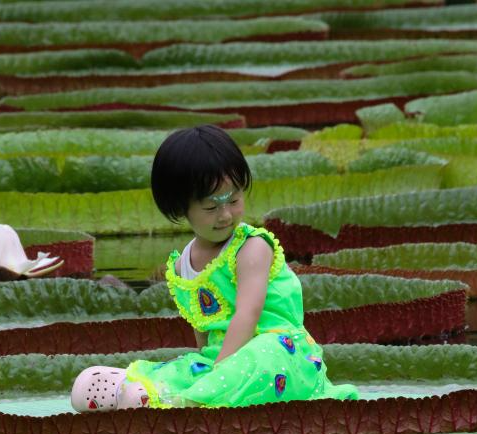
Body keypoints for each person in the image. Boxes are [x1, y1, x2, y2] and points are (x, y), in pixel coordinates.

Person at [71, 125, 359, 412]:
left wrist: (219, 372)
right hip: (222, 361)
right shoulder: (184, 263)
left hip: (281, 357)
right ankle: (138, 389)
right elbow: (203, 331)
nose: (225, 215)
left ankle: (179, 403)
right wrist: (209, 368)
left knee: (260, 355)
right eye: (211, 208)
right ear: (181, 208)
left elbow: (248, 314)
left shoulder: (252, 247)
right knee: (179, 367)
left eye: (233, 200)